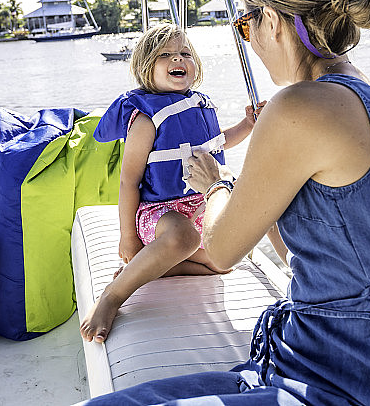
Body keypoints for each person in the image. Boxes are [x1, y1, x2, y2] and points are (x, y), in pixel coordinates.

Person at [81, 0, 370, 405]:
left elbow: (222, 248)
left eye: (245, 25)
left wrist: (218, 183)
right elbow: (303, 243)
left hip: (356, 376)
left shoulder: (301, 105)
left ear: (271, 20)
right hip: (365, 356)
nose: (248, 40)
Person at [80, 23, 261, 344]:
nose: (178, 59)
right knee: (185, 236)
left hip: (199, 205)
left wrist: (248, 124)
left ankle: (154, 268)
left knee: (224, 262)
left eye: (185, 53)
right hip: (159, 214)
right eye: (166, 55)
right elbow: (128, 181)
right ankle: (114, 294)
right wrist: (127, 237)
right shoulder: (146, 119)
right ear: (145, 68)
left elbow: (220, 143)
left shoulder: (199, 107)